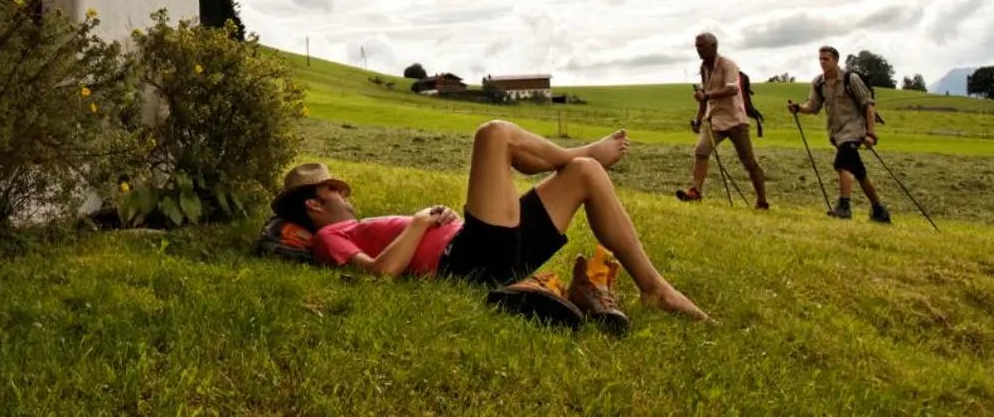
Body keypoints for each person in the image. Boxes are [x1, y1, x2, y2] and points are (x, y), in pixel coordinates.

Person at [271, 122, 708, 323]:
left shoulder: (355, 223)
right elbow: (377, 274)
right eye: (334, 190)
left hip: (486, 246)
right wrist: (421, 223)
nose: (345, 193)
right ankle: (582, 151)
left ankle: (655, 290)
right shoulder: (329, 236)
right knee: (494, 135)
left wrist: (435, 221)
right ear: (313, 204)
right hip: (466, 261)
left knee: (587, 178)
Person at [788, 45, 891, 223]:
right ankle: (879, 210)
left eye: (826, 59)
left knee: (842, 163)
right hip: (836, 133)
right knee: (859, 172)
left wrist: (871, 135)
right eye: (820, 59)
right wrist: (798, 108)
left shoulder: (851, 79)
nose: (822, 62)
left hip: (854, 131)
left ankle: (844, 207)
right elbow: (813, 106)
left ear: (835, 60)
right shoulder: (818, 83)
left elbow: (868, 105)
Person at [677, 32, 769, 209]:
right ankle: (695, 192)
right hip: (714, 121)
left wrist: (707, 94)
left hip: (735, 120)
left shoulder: (728, 65)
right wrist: (697, 120)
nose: (698, 50)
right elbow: (704, 98)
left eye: (702, 46)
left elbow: (732, 89)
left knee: (749, 162)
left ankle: (762, 201)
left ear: (713, 46)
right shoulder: (703, 68)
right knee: (701, 151)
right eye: (697, 47)